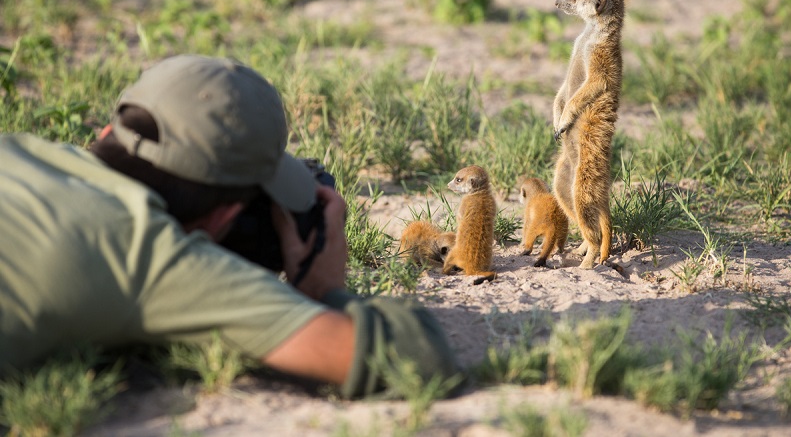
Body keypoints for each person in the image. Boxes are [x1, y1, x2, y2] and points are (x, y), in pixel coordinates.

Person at [0, 54, 458, 398]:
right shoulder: (151, 252)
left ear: (106, 132)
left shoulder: (18, 149)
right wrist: (324, 290)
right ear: (221, 218)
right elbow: (415, 356)